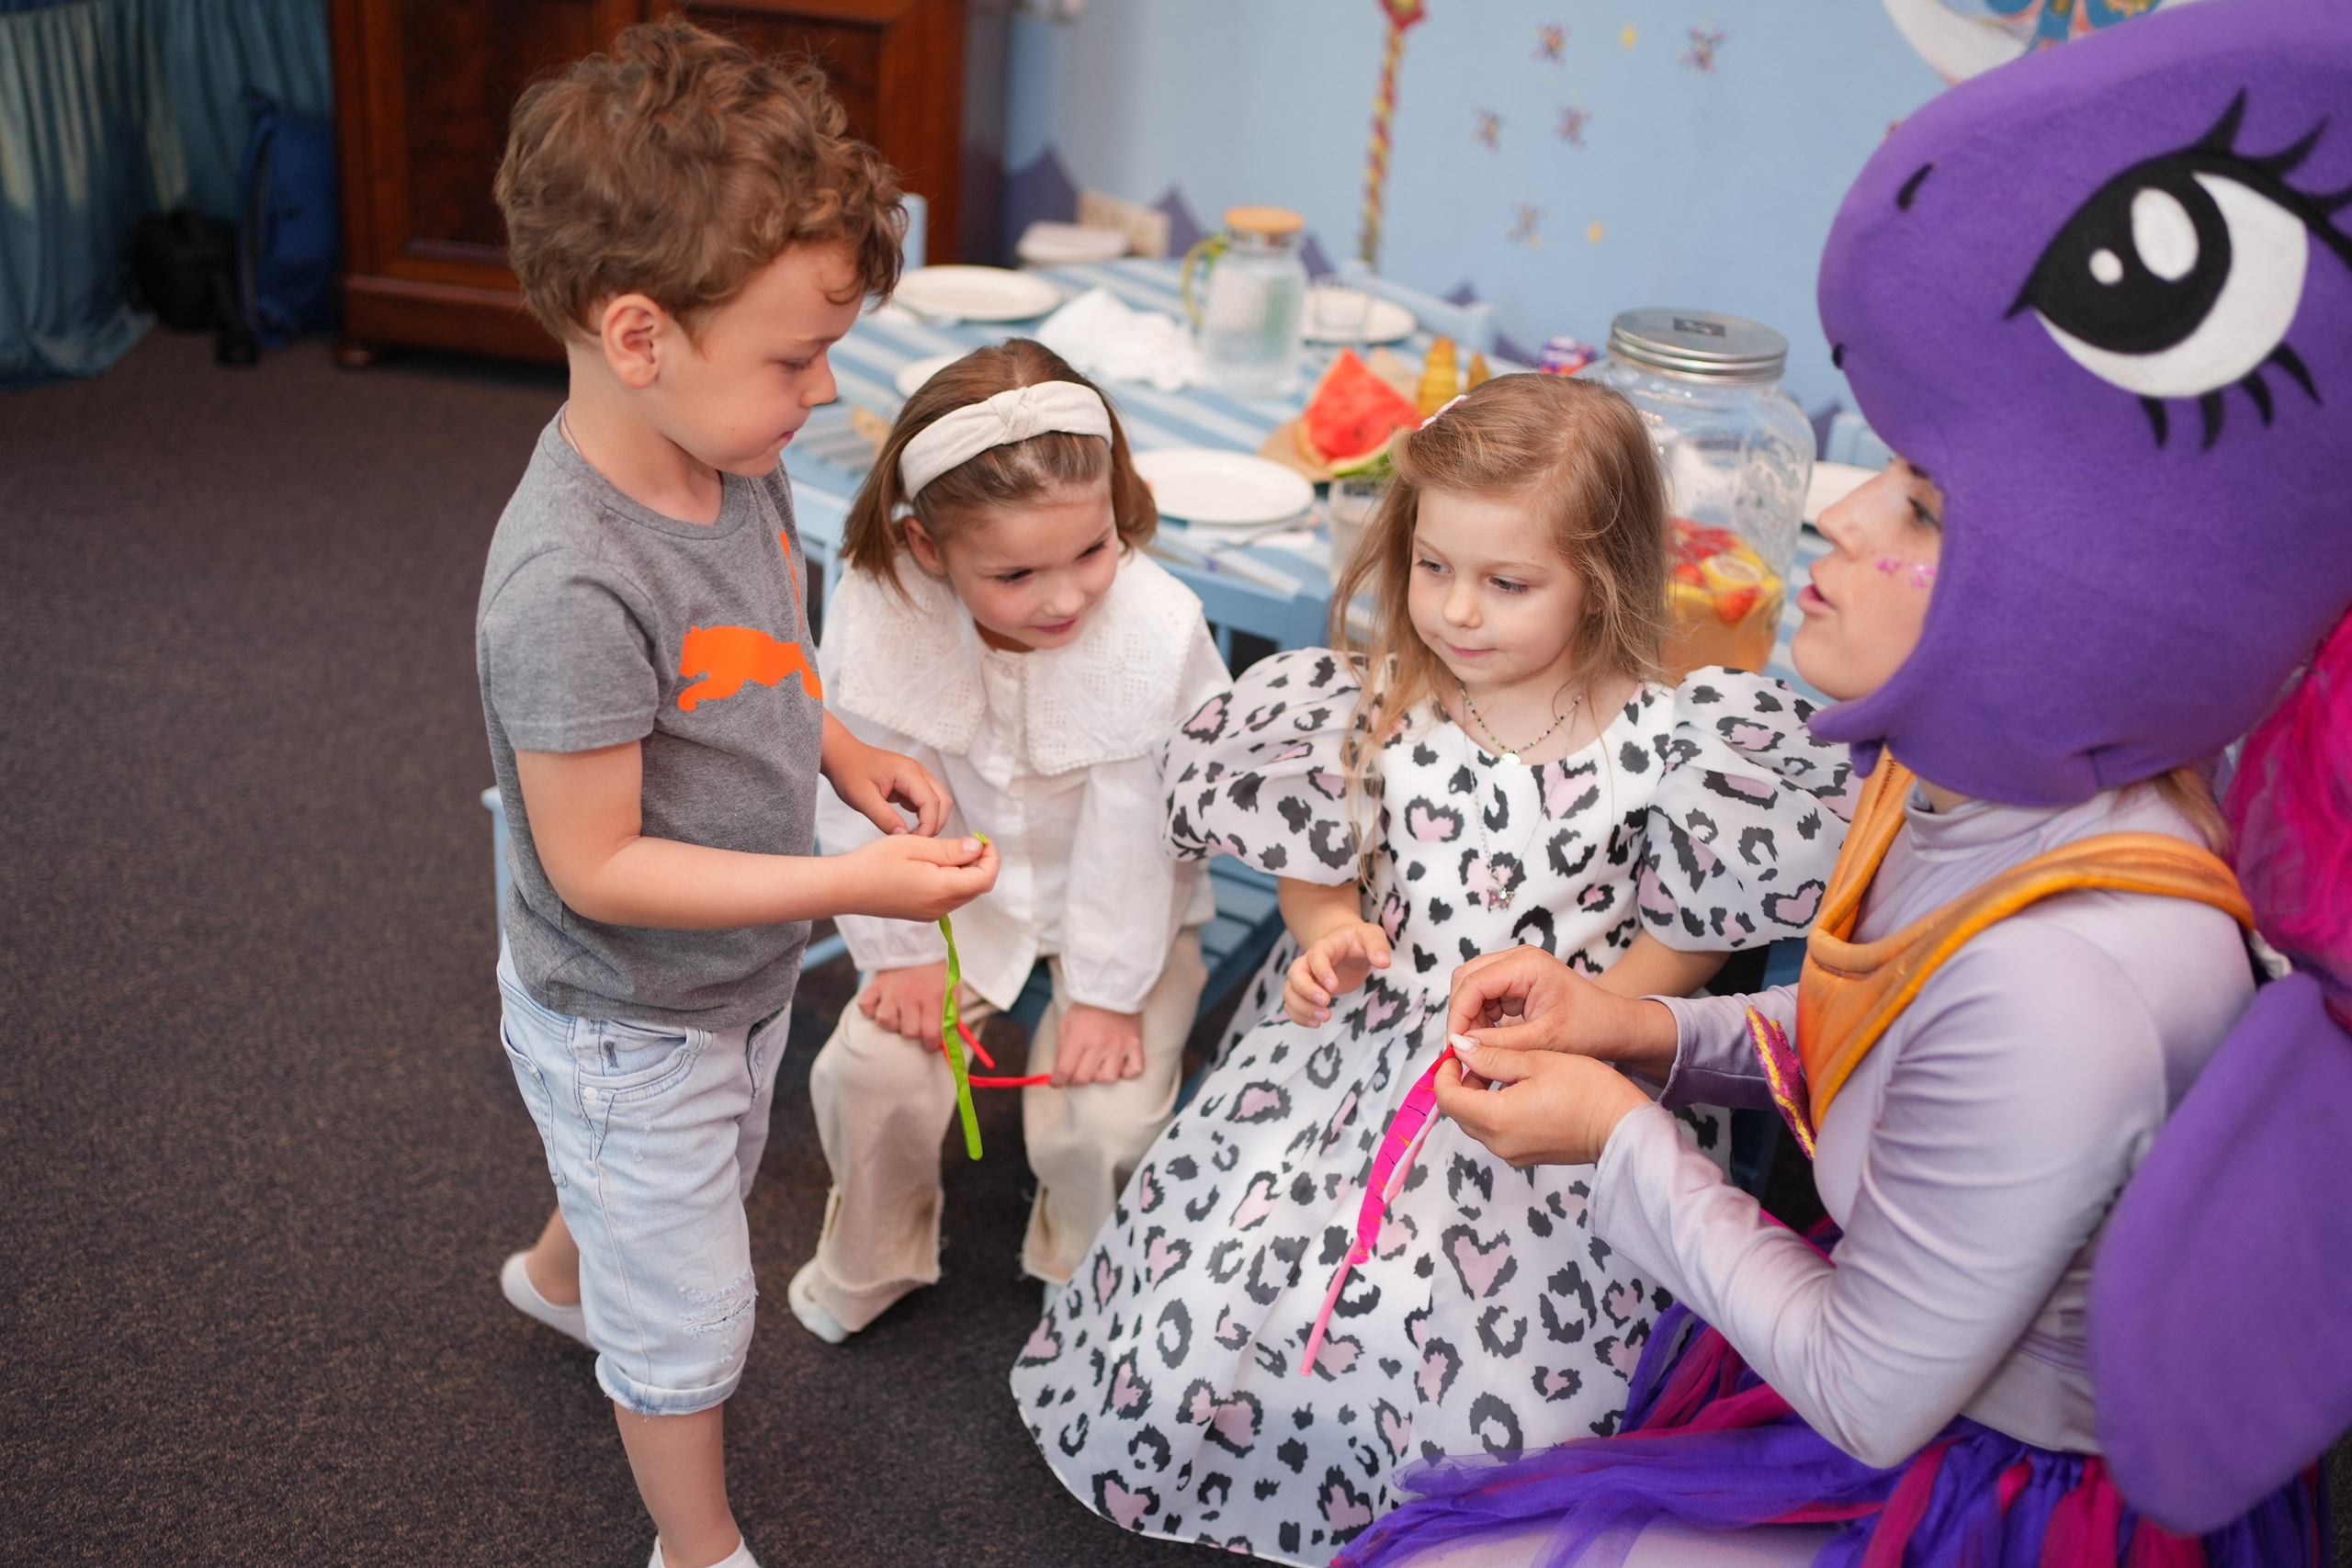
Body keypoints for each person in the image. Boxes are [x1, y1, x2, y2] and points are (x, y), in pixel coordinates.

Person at [1341, 4, 2348, 1563]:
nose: (1836, 517)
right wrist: (1635, 1027)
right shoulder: (1986, 799)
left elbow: (1872, 1391)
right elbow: (1867, 1045)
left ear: (2080, 592)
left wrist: (1618, 1134)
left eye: (1923, 504)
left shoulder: (2060, 991)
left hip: (1996, 1488)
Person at [1012, 372, 1856, 1564]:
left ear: (1602, 573)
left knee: (1496, 1363)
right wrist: (1326, 935)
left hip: (1548, 1083)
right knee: (1246, 1296)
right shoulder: (1380, 701)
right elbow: (1317, 861)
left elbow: (1692, 927)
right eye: (1433, 566)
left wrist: (1600, 1015)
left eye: (1508, 583)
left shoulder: (1673, 743)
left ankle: (1430, 1506)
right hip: (1352, 1065)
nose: (1458, 609)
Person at [475, 26, 998, 1568]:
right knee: (694, 1314)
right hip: (628, 1008)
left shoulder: (734, 451)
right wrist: (850, 885)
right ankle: (696, 1544)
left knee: (658, 1182)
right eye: (794, 356)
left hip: (727, 975)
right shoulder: (569, 582)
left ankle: (563, 1274)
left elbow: (756, 657)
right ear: (638, 335)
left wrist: (835, 747)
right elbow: (597, 867)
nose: (824, 390)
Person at [787, 340, 1227, 1339]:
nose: (1064, 598)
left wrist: (1106, 995)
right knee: (871, 1072)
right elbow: (858, 787)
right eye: (1017, 573)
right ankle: (871, 1259)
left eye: (1092, 550)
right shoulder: (882, 607)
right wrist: (901, 953)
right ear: (927, 546)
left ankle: (1082, 1273)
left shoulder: (1157, 628)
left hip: (1131, 907)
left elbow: (1150, 829)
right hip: (953, 899)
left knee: (1105, 1118)